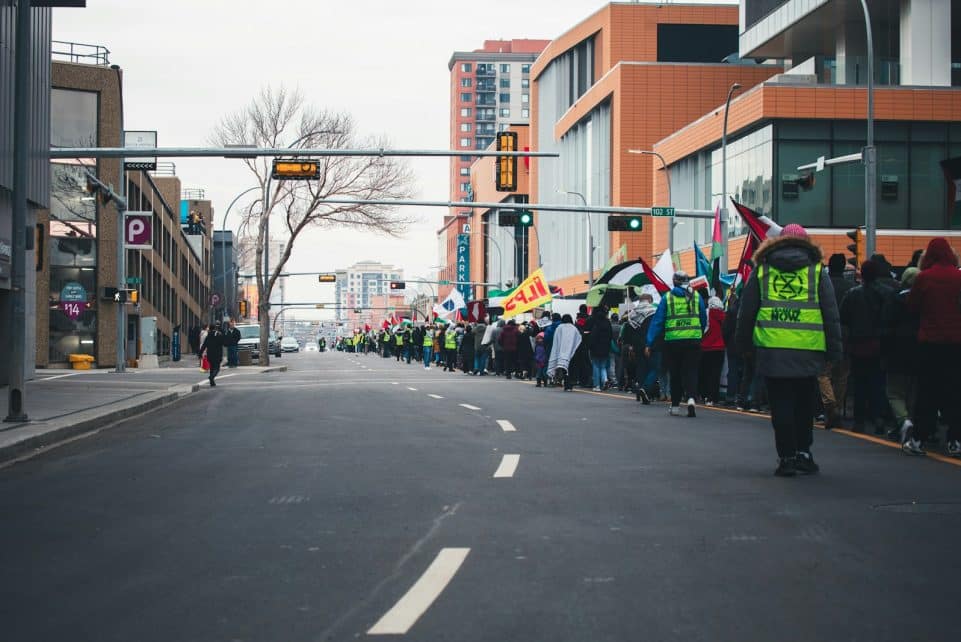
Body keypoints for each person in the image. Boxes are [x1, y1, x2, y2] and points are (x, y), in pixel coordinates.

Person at [736, 223, 842, 477]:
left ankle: (786, 457)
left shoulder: (762, 270)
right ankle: (804, 452)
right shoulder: (817, 271)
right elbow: (831, 314)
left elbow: (746, 312)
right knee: (804, 405)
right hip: (808, 349)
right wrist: (834, 351)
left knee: (781, 405)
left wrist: (744, 346)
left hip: (772, 349)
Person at [904, 237, 961, 457]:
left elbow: (912, 306)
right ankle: (955, 440)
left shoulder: (924, 278)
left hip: (929, 343)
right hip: (956, 343)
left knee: (927, 392)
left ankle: (918, 438)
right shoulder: (958, 277)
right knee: (955, 392)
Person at [840, 260, 892, 434]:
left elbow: (844, 317)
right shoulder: (887, 294)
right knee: (877, 382)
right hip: (879, 343)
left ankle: (859, 420)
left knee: (860, 382)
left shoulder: (852, 294)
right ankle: (878, 417)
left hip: (858, 343)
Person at [646, 271, 706, 417]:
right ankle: (691, 398)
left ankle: (675, 406)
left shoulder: (667, 298)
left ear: (674, 282)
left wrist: (649, 342)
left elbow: (657, 322)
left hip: (673, 342)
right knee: (691, 371)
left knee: (676, 374)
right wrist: (699, 333)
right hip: (693, 340)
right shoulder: (697, 297)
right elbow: (703, 319)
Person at [879, 267, 919, 443]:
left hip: (896, 350)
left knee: (894, 392)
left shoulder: (894, 299)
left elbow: (885, 326)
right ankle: (909, 422)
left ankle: (904, 421)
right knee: (913, 391)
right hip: (919, 349)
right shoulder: (924, 300)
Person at [817, 253, 854, 428]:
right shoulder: (851, 287)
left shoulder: (822, 284)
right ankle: (837, 407)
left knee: (823, 373)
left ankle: (830, 404)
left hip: (825, 333)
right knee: (842, 375)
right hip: (846, 335)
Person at [622, 295, 658, 403]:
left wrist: (631, 346)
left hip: (636, 346)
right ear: (650, 300)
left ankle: (641, 392)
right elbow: (654, 329)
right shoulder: (653, 311)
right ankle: (646, 390)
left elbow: (628, 332)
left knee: (641, 368)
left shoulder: (632, 314)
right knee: (654, 367)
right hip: (649, 344)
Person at [699, 296, 726, 406]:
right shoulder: (723, 315)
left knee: (705, 372)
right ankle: (713, 397)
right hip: (719, 348)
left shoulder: (706, 313)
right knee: (715, 374)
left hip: (705, 347)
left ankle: (704, 395)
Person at [547, 314, 581, 391]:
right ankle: (570, 384)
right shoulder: (574, 328)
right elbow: (578, 339)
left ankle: (566, 384)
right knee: (571, 368)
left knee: (564, 369)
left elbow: (556, 341)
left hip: (561, 352)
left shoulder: (559, 328)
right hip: (572, 352)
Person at [588, 306, 613, 391]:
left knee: (596, 365)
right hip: (606, 347)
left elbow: (593, 336)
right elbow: (611, 336)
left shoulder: (596, 324)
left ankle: (597, 385)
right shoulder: (608, 323)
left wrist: (590, 346)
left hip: (596, 347)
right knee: (603, 366)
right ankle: (605, 380)